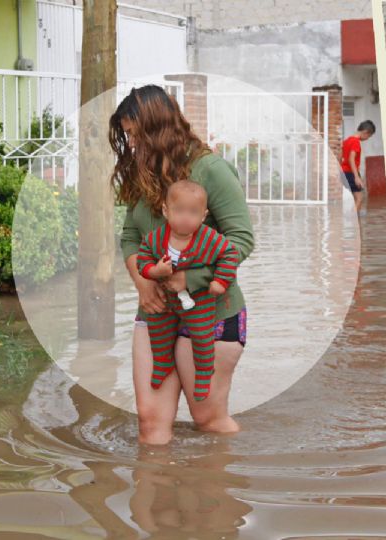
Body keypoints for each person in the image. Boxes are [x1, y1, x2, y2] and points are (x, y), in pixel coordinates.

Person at [113, 85, 255, 445]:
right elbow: (131, 236)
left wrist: (188, 278)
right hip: (156, 309)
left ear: (157, 130)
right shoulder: (144, 173)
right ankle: (157, 493)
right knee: (150, 422)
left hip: (211, 312)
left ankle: (222, 491)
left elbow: (241, 239)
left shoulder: (211, 170)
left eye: (135, 135)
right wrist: (143, 284)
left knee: (207, 419)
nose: (131, 145)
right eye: (127, 136)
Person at [136, 180, 241, 402]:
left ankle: (204, 372)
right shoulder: (156, 238)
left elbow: (230, 254)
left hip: (199, 299)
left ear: (203, 216)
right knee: (158, 328)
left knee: (202, 335)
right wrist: (154, 270)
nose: (186, 218)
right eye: (179, 211)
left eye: (193, 213)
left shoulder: (209, 238)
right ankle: (162, 364)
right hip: (166, 297)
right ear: (166, 211)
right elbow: (143, 257)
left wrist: (220, 281)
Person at [340, 120, 376, 213]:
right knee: (359, 198)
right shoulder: (356, 142)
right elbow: (351, 159)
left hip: (343, 172)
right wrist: (356, 177)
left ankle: (349, 219)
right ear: (365, 132)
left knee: (351, 197)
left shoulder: (346, 141)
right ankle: (353, 221)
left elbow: (341, 157)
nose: (367, 138)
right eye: (369, 136)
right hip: (351, 172)